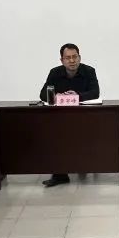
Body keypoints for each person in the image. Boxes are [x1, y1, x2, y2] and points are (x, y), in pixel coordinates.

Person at [39, 43, 101, 188]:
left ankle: (84, 165)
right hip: (61, 118)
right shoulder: (55, 73)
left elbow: (95, 92)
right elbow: (42, 94)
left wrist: (77, 96)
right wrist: (54, 96)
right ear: (62, 60)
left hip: (84, 117)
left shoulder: (89, 71)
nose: (72, 61)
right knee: (54, 135)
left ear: (79, 57)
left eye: (75, 57)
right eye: (68, 58)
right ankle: (60, 175)